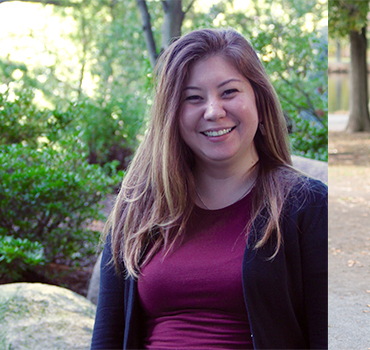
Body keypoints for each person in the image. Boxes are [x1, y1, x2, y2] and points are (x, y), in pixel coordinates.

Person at [90, 28, 327, 349]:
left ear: (259, 98)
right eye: (193, 98)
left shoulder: (308, 207)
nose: (213, 111)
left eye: (229, 92)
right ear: (172, 114)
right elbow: (107, 337)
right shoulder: (138, 210)